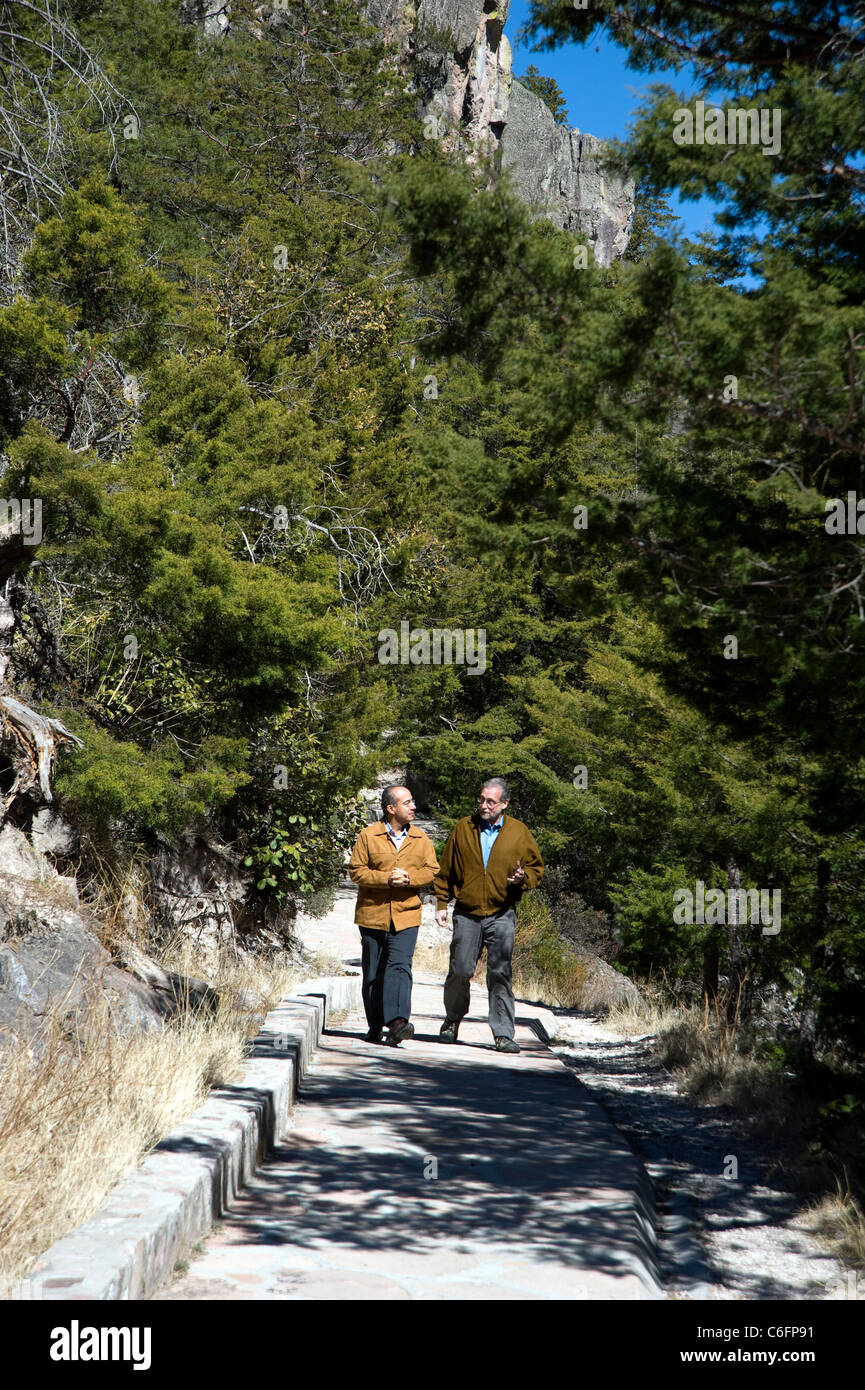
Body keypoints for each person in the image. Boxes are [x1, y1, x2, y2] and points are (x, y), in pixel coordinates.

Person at [433, 776, 543, 1053]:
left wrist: (522, 878)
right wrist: (441, 904)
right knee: (460, 971)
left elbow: (536, 869)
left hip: (502, 912)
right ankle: (452, 1021)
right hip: (467, 913)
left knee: (500, 973)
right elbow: (445, 870)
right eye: (481, 799)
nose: (483, 805)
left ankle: (503, 1034)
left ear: (504, 804)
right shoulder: (463, 828)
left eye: (490, 801)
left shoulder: (519, 832)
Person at [348, 785, 439, 1046]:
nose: (413, 807)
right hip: (372, 915)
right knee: (374, 973)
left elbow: (432, 869)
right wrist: (385, 879)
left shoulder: (421, 838)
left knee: (399, 967)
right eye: (407, 802)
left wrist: (411, 878)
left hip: (407, 914)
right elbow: (356, 871)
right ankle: (375, 1025)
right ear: (391, 809)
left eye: (412, 802)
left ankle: (398, 1022)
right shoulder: (368, 836)